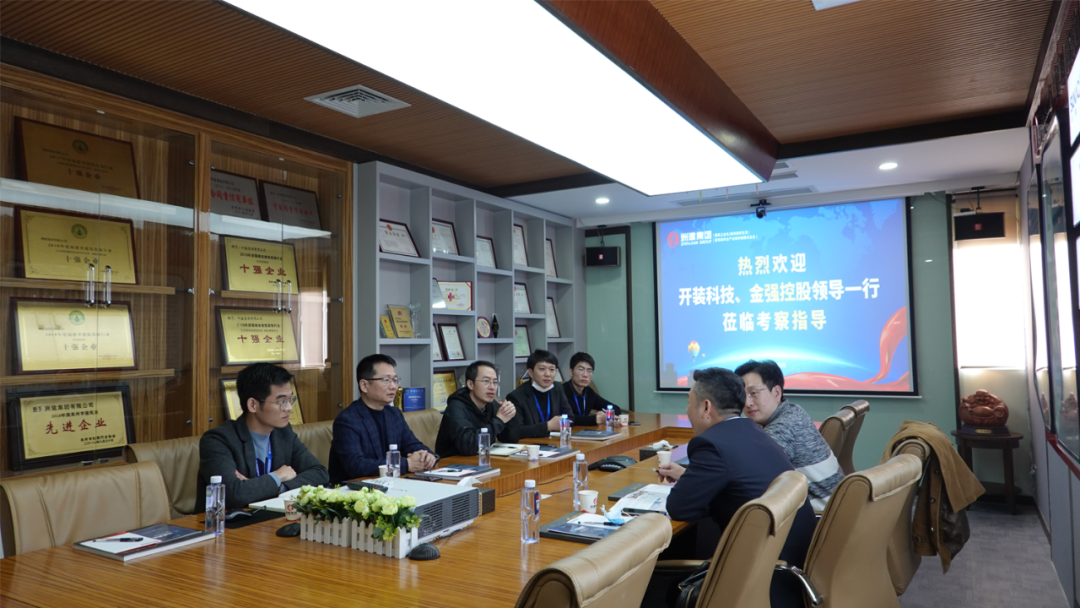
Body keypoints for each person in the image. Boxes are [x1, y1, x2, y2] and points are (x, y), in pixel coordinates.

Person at [657, 367, 816, 608]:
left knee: (657, 584)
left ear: (706, 407)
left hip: (764, 577)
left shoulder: (711, 444)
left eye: (689, 402)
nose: (687, 410)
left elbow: (679, 507)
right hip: (793, 569)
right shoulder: (753, 430)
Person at [197, 363, 328, 511]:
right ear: (253, 405)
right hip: (228, 522)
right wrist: (278, 476)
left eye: (290, 400)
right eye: (281, 401)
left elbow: (319, 473)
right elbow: (233, 494)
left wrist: (279, 488)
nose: (289, 408)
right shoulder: (217, 440)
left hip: (271, 517)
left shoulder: (283, 433)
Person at [735, 359, 844, 511]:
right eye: (742, 395)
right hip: (833, 506)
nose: (747, 403)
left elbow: (748, 476)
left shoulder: (782, 428)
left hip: (820, 515)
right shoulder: (792, 411)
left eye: (753, 393)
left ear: (776, 392)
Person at [328, 354, 437, 483]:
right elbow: (356, 466)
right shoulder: (347, 420)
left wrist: (427, 456)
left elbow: (413, 445)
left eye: (395, 380)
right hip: (355, 490)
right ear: (364, 385)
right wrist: (405, 465)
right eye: (386, 380)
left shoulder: (394, 414)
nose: (393, 386)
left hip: (389, 485)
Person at [435, 360, 519, 456]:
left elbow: (510, 440)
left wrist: (510, 416)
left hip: (481, 459)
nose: (492, 387)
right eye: (486, 381)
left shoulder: (491, 404)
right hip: (453, 462)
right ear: (470, 384)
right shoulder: (455, 408)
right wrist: (499, 420)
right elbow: (468, 446)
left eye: (495, 382)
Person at [502, 350, 573, 441]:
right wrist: (548, 426)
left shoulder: (557, 388)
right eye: (542, 369)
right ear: (530, 372)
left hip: (554, 442)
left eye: (552, 369)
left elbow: (570, 417)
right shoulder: (516, 397)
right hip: (529, 445)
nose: (547, 374)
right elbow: (517, 431)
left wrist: (562, 423)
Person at [562, 352, 622, 425]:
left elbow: (616, 409)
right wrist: (597, 419)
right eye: (581, 369)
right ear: (571, 372)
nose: (585, 375)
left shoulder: (588, 392)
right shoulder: (561, 391)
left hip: (584, 430)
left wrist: (604, 413)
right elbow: (566, 418)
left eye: (589, 370)